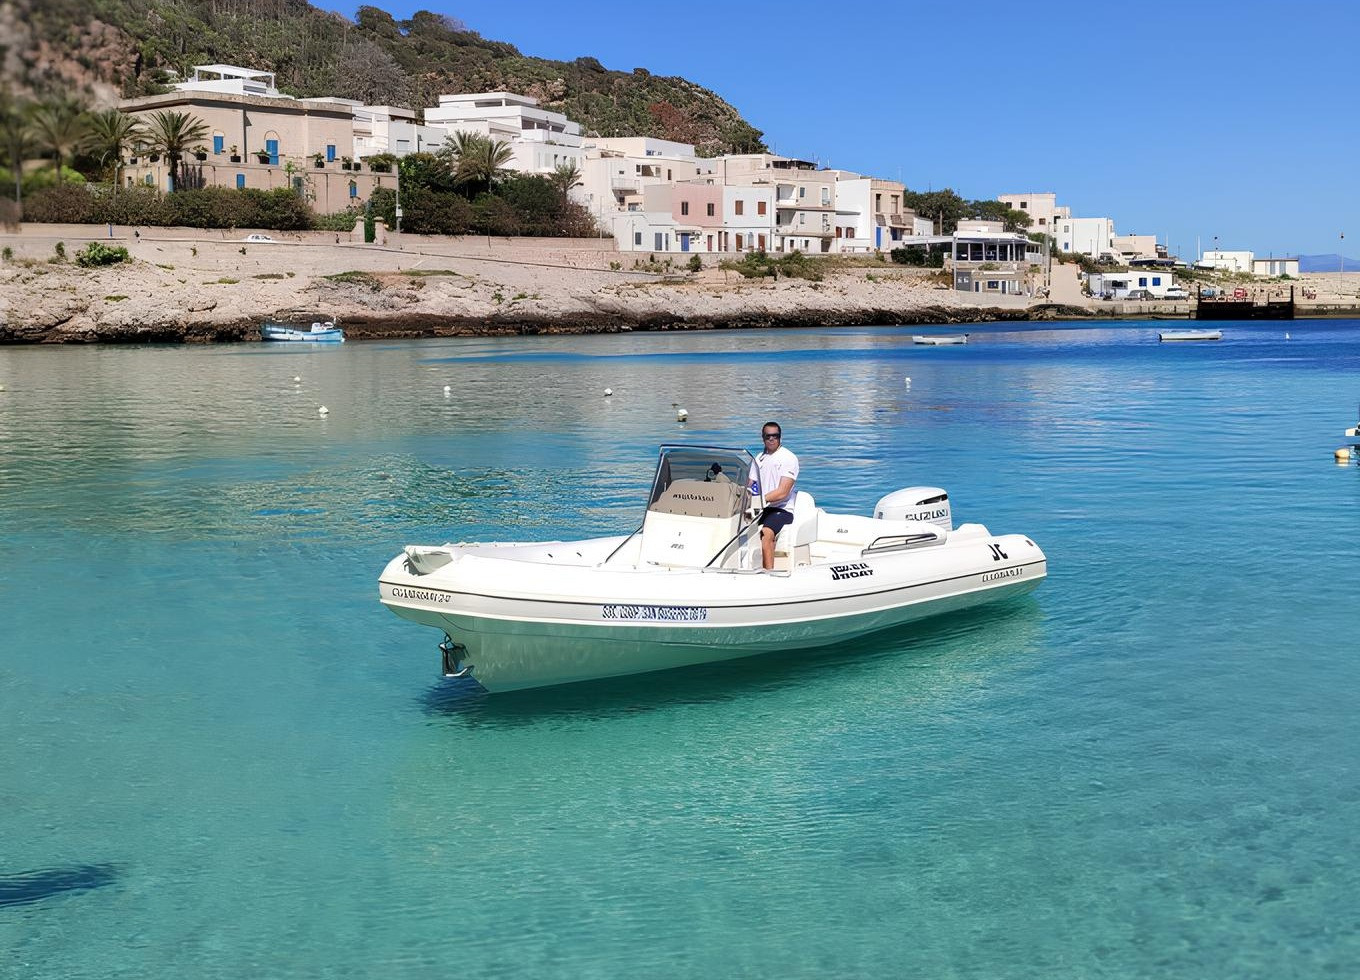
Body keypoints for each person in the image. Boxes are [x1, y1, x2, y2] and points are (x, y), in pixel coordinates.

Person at [748, 422, 799, 570]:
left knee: (766, 533)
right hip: (760, 507)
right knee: (737, 527)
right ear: (762, 438)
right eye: (768, 436)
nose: (771, 439)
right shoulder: (759, 458)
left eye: (775, 436)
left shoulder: (788, 458)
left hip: (781, 509)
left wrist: (761, 500)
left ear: (780, 437)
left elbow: (783, 492)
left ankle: (769, 573)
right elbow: (750, 485)